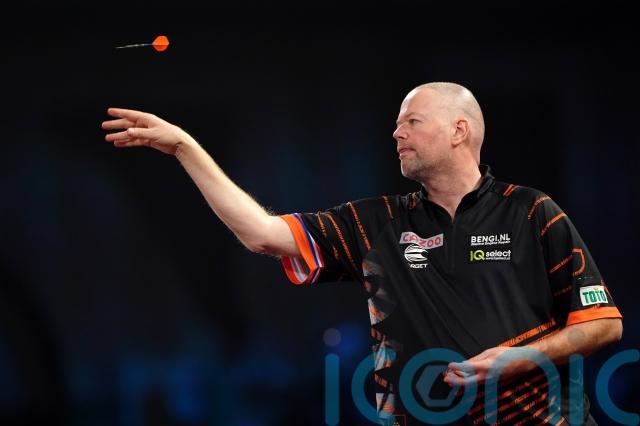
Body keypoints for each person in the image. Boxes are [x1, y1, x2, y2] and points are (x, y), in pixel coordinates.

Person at [102, 82, 623, 425]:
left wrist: (522, 359)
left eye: (412, 121)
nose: (396, 132)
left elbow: (603, 325)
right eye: (397, 123)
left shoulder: (532, 212)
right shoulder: (377, 223)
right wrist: (185, 148)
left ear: (459, 131)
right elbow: (262, 233)